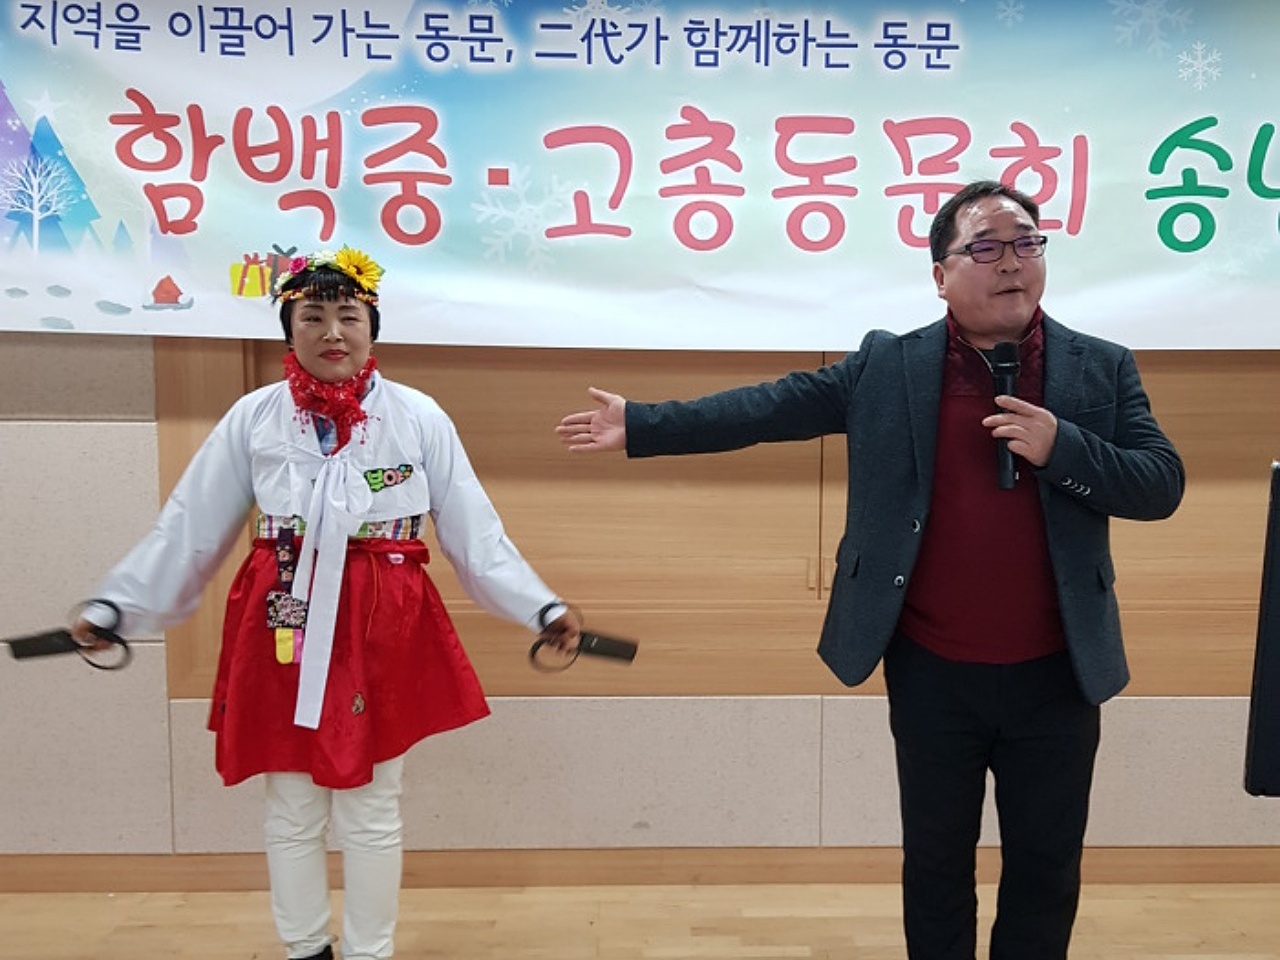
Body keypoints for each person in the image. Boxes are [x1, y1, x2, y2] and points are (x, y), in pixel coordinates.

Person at [556, 180, 1184, 960]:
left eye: (1027, 242)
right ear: (941, 275)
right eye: (986, 247)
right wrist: (645, 425)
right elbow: (769, 408)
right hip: (932, 669)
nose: (1011, 262)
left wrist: (1065, 448)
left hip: (1059, 670)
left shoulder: (1100, 367)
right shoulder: (890, 365)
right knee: (936, 864)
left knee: (1047, 868)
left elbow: (1160, 485)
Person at [72, 246, 582, 960]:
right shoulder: (254, 417)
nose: (332, 331)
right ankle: (304, 948)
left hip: (382, 617)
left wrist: (541, 608)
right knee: (292, 802)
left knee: (372, 803)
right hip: (284, 609)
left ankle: (370, 951)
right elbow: (188, 529)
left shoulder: (418, 416)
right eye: (313, 316)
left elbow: (476, 533)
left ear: (372, 329)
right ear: (290, 330)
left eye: (349, 316)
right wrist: (113, 610)